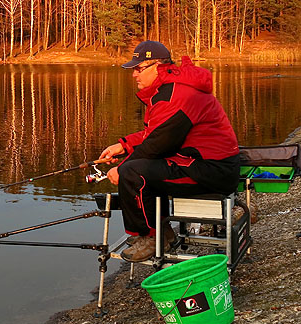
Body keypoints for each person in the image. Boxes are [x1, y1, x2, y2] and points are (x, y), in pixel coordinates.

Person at [100, 40, 240, 262]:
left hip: (213, 170)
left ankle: (151, 237)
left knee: (133, 173)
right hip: (203, 163)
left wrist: (122, 167)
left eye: (138, 69)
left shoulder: (177, 94)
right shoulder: (171, 89)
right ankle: (160, 232)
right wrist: (124, 145)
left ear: (157, 65)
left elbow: (159, 143)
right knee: (140, 168)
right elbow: (156, 133)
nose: (134, 75)